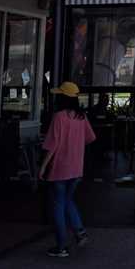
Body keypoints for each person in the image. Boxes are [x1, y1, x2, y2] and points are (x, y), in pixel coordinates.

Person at [39, 81, 96, 258]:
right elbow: (90, 138)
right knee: (68, 201)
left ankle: (61, 246)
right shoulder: (82, 117)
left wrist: (42, 167)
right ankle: (79, 232)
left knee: (58, 204)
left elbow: (53, 144)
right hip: (76, 167)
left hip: (60, 168)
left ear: (62, 98)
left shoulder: (59, 117)